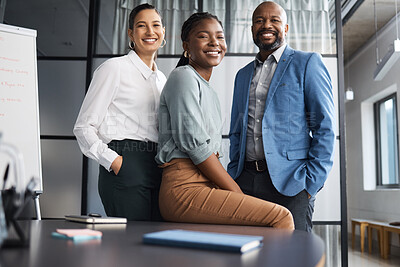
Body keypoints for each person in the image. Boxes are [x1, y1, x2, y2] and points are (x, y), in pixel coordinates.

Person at [155, 12, 294, 230]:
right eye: (203, 36)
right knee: (280, 217)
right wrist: (235, 191)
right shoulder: (183, 77)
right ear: (186, 45)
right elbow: (196, 146)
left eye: (220, 37)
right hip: (184, 188)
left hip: (204, 183)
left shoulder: (207, 88)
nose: (214, 43)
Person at [228, 1, 335, 232]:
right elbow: (237, 129)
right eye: (259, 21)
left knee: (291, 257)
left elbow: (324, 126)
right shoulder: (242, 74)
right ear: (252, 29)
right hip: (245, 181)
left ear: (285, 28)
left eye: (274, 20)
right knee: (249, 253)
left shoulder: (307, 63)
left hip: (292, 183)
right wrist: (233, 173)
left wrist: (311, 183)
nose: (266, 25)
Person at [73, 3, 166, 221]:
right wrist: (114, 162)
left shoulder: (161, 79)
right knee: (132, 244)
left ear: (163, 32)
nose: (150, 31)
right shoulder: (114, 68)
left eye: (156, 25)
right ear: (131, 33)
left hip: (157, 166)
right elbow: (84, 127)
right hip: (125, 162)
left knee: (155, 243)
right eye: (142, 26)